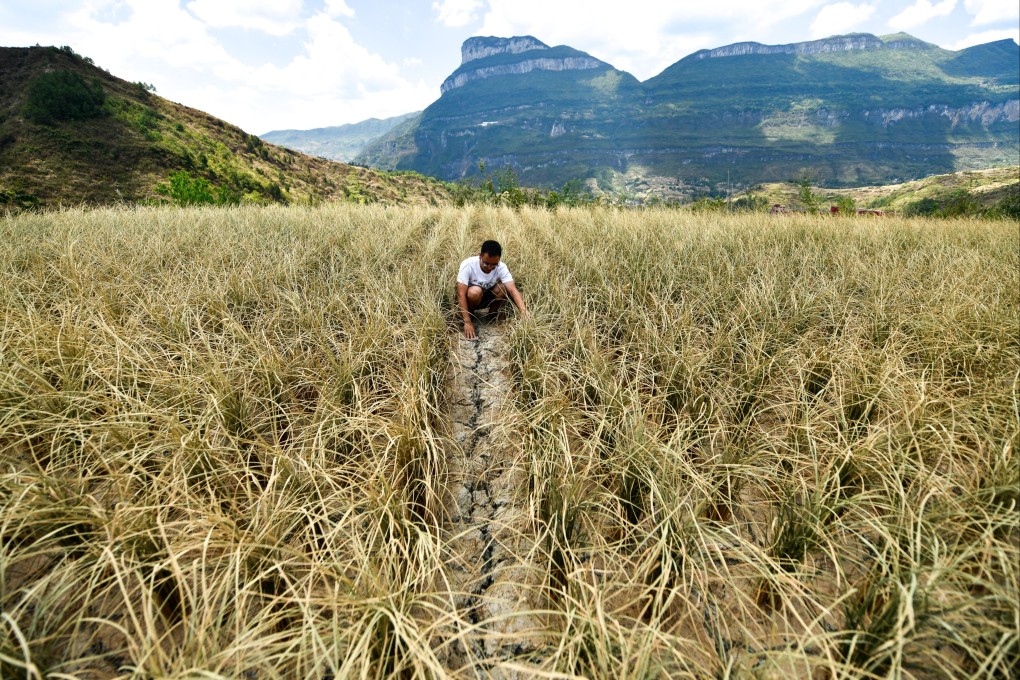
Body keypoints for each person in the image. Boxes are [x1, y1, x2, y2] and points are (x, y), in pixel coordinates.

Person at [456, 240, 529, 339]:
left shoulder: (501, 267)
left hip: (487, 297)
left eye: (494, 265)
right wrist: (467, 322)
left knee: (504, 287)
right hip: (471, 299)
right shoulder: (468, 265)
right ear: (480, 256)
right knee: (475, 291)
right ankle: (471, 315)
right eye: (486, 264)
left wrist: (524, 312)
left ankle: (492, 315)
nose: (490, 268)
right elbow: (461, 294)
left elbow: (513, 290)